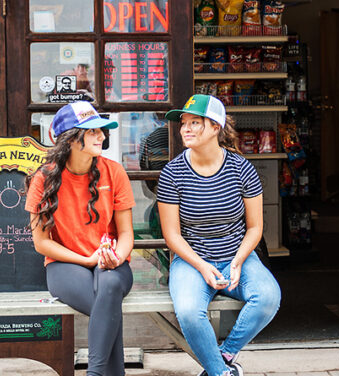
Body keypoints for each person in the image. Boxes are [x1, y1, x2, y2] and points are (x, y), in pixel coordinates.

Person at [156, 94, 281, 376]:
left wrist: (237, 261)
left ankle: (224, 354)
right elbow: (172, 236)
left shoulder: (241, 169)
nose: (185, 128)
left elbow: (255, 227)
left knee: (268, 296)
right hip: (191, 261)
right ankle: (220, 372)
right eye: (183, 123)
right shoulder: (172, 173)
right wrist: (201, 265)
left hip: (237, 256)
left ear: (215, 127)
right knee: (189, 312)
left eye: (194, 122)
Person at [25, 100, 135, 376]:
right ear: (71, 139)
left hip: (113, 262)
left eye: (102, 130)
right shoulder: (44, 179)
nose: (101, 135)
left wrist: (115, 257)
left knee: (109, 287)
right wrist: (87, 259)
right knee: (108, 310)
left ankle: (93, 373)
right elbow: (42, 243)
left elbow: (125, 234)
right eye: (92, 131)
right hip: (65, 265)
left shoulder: (114, 172)